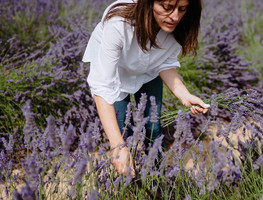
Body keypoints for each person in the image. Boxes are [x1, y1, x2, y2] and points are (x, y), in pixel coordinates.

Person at [82, 0, 208, 176]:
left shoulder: (178, 26)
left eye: (182, 9)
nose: (175, 17)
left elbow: (164, 62)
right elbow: (102, 87)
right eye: (167, 7)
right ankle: (129, 184)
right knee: (122, 131)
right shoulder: (119, 24)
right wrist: (117, 147)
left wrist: (184, 95)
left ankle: (157, 177)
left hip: (149, 70)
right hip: (115, 71)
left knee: (153, 127)